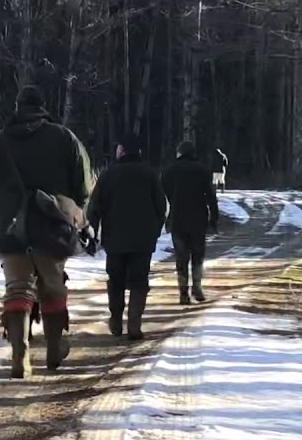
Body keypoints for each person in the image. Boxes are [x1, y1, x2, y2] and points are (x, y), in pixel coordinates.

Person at [0, 85, 92, 378]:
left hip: (12, 229)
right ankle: (54, 348)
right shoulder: (65, 138)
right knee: (53, 288)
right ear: (43, 106)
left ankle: (20, 355)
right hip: (52, 228)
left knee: (17, 289)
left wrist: (1, 215)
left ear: (17, 107)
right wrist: (73, 212)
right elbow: (84, 185)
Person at [86, 134, 167, 340]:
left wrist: (92, 233)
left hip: (114, 239)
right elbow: (161, 207)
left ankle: (115, 318)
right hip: (143, 241)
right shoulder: (150, 174)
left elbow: (94, 207)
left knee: (116, 280)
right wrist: (154, 231)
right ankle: (134, 324)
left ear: (122, 151)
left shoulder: (108, 175)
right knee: (139, 282)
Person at [161, 140, 219, 305]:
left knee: (181, 257)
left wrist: (163, 217)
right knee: (197, 255)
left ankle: (183, 291)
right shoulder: (202, 170)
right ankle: (197, 287)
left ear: (179, 153)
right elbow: (211, 197)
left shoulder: (168, 171)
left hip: (177, 219)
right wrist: (214, 218)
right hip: (198, 220)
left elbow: (163, 196)